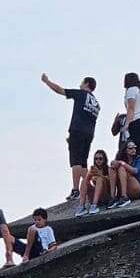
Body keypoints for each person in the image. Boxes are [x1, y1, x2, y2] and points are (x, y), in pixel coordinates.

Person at [41, 73, 100, 201]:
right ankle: (89, 187)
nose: (80, 85)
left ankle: (76, 190)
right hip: (89, 134)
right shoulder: (96, 104)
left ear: (86, 84)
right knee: (83, 163)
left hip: (77, 131)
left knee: (76, 161)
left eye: (82, 82)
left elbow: (60, 90)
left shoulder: (80, 94)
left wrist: (47, 81)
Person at [107, 141, 140, 208]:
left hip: (138, 188)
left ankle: (125, 197)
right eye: (131, 148)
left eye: (134, 147)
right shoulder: (122, 159)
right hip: (127, 189)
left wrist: (122, 163)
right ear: (125, 150)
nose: (133, 150)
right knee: (112, 169)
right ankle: (113, 197)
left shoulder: (139, 159)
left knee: (121, 168)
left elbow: (135, 171)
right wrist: (114, 163)